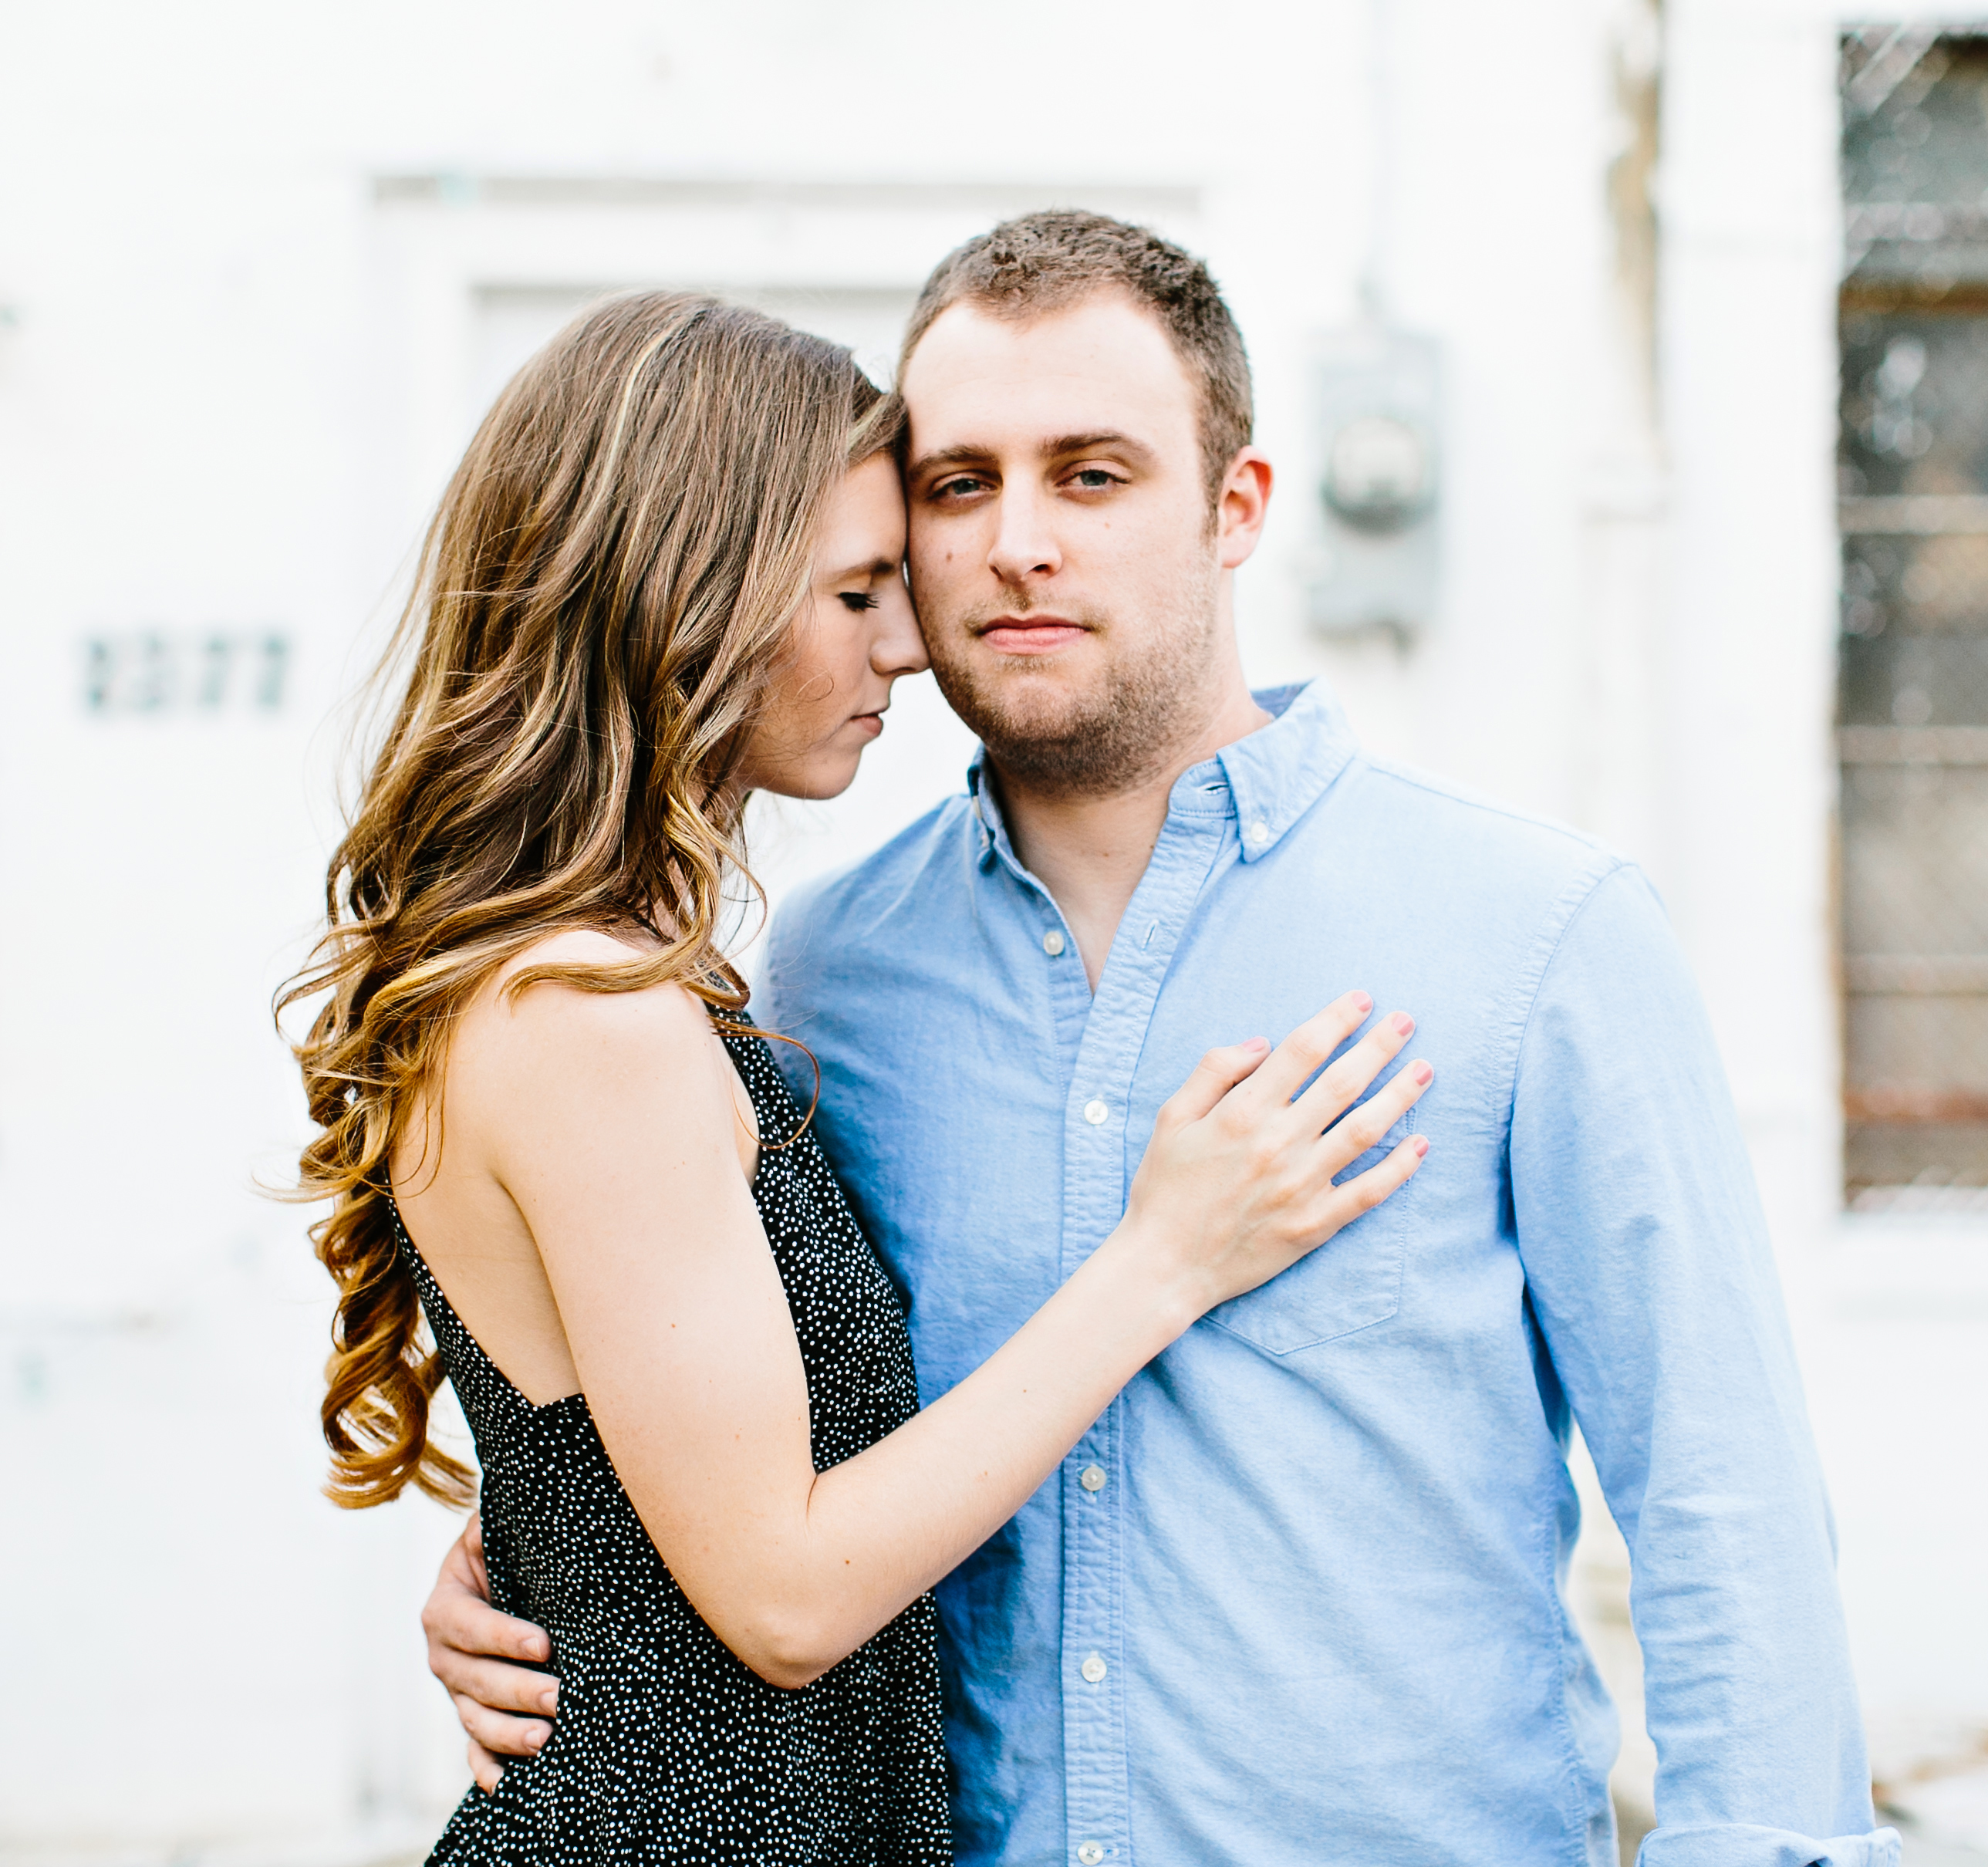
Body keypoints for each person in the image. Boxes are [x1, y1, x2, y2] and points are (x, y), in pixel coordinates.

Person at [424, 218, 1902, 1867]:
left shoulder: (1538, 937)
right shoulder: (827, 975)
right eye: (961, 483)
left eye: (1094, 474)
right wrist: (553, 1564)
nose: (1018, 544)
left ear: (1236, 508)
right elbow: (741, 1434)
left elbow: (1725, 1517)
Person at [279, 289, 1434, 1865]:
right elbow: (785, 1594)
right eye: (855, 593)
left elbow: (642, 1475)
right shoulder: (585, 1011)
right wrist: (1165, 1258)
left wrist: (539, 1555)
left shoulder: (603, 982)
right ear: (688, 596)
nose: (907, 642)